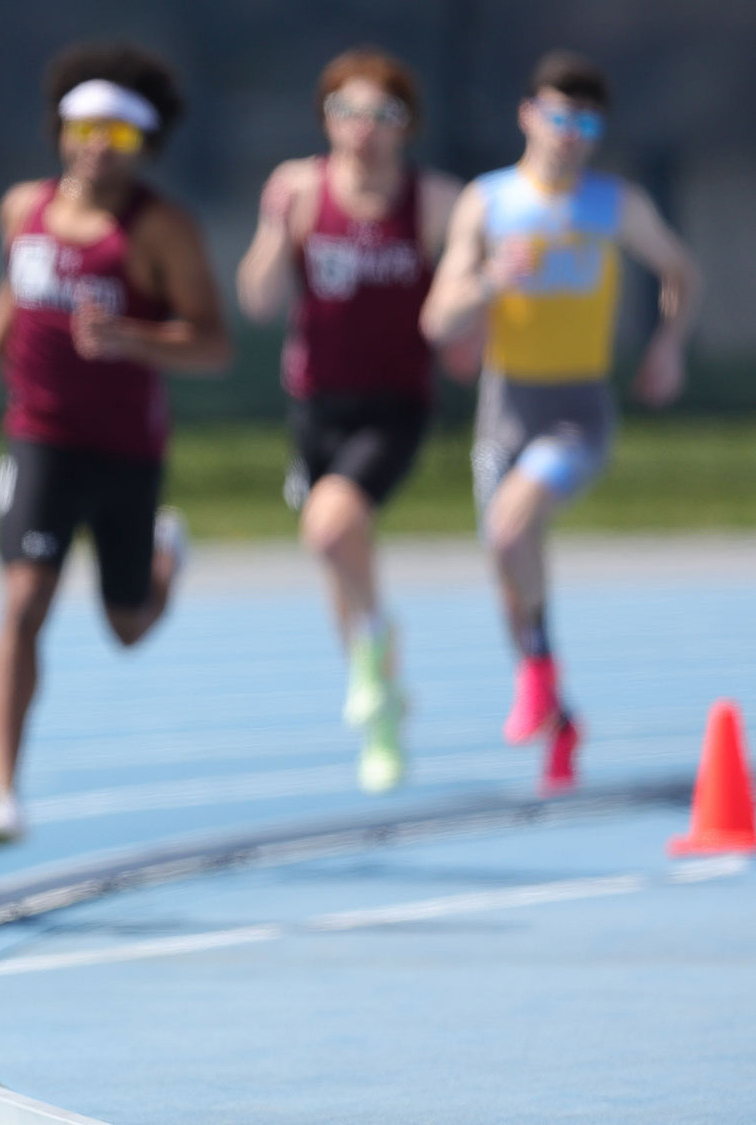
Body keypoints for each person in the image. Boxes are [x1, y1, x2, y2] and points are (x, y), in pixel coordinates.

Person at [0, 43, 232, 851]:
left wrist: (130, 339)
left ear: (143, 148)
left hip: (125, 450)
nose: (96, 146)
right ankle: (1, 792)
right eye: (85, 129)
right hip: (39, 440)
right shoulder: (25, 208)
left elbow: (213, 345)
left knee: (127, 626)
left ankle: (163, 557)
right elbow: (6, 312)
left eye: (118, 136)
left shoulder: (160, 230)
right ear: (62, 131)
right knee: (23, 604)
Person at [421, 49, 701, 792]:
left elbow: (680, 270)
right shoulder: (487, 203)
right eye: (558, 115)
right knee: (510, 573)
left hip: (576, 411)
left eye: (585, 120)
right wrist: (486, 282)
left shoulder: (616, 205)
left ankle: (541, 671)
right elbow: (438, 317)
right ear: (528, 115)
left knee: (514, 528)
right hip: (504, 409)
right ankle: (557, 708)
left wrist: (668, 346)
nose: (570, 132)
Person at [236, 48, 463, 793]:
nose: (363, 129)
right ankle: (381, 699)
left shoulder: (433, 202)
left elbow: (465, 310)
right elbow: (260, 301)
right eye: (347, 112)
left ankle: (375, 657)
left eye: (382, 115)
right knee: (337, 550)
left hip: (395, 404)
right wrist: (275, 227)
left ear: (406, 127)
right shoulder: (300, 192)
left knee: (330, 526)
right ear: (326, 120)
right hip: (316, 402)